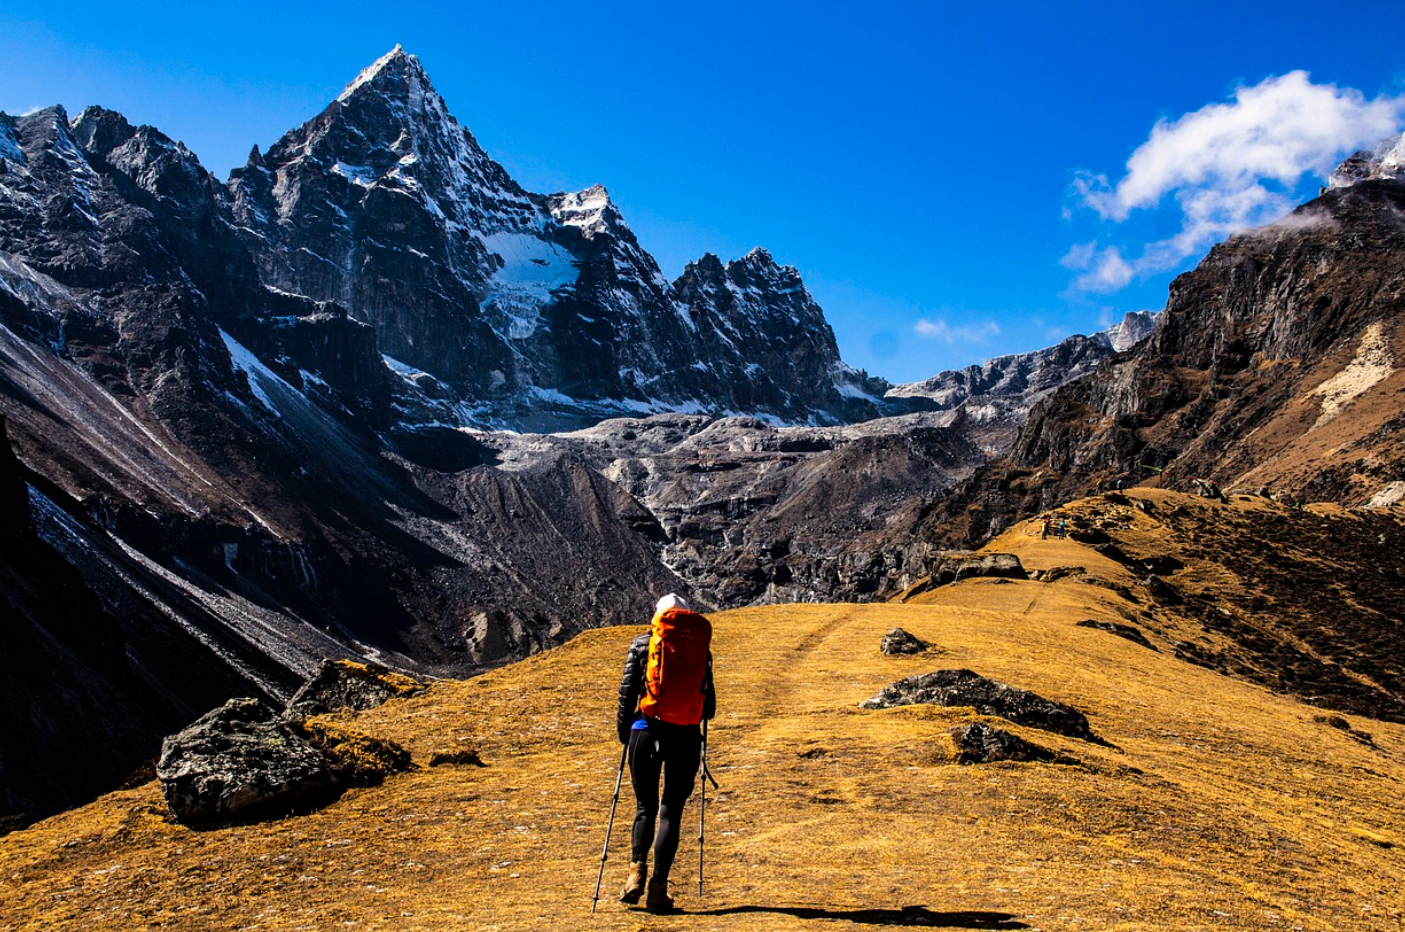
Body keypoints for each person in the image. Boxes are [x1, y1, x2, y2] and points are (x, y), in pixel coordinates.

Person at [616, 593, 716, 913]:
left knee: (645, 806)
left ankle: (635, 875)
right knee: (671, 810)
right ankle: (658, 889)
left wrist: (624, 734)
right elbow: (709, 708)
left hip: (645, 731)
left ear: (657, 618)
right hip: (685, 738)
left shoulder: (643, 645)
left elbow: (627, 693)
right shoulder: (701, 650)